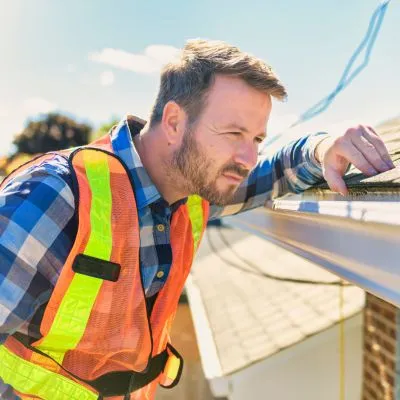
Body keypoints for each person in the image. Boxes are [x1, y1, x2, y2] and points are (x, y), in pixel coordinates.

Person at [0, 39, 394, 400]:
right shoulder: (55, 195)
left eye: (256, 138)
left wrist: (325, 146)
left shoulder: (193, 192)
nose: (247, 157)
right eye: (233, 132)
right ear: (174, 122)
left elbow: (273, 172)